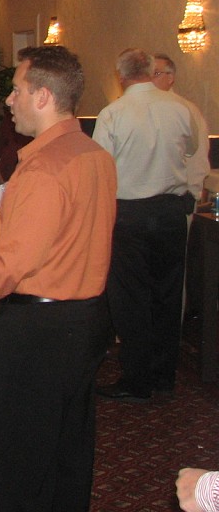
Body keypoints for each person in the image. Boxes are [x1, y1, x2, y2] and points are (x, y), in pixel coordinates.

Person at [0, 45, 117, 512]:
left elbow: (7, 274)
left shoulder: (43, 168)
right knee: (67, 450)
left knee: (18, 458)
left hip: (39, 333)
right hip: (86, 319)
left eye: (16, 90)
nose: (8, 101)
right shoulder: (94, 154)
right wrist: (4, 254)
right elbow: (71, 238)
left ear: (43, 97)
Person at [93, 47, 198, 402]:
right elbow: (191, 148)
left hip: (129, 215)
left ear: (121, 76)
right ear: (152, 71)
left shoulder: (113, 114)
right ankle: (164, 376)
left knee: (131, 298)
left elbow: (101, 167)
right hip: (170, 212)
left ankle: (137, 380)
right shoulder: (180, 108)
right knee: (168, 295)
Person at [152, 53, 210, 200]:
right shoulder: (138, 110)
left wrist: (192, 195)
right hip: (143, 199)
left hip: (177, 196)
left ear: (170, 78)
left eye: (156, 74)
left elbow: (198, 156)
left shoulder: (186, 109)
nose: (150, 80)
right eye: (147, 75)